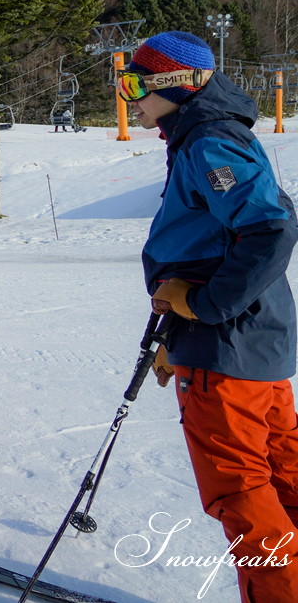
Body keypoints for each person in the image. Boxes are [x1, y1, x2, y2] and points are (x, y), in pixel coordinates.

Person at [119, 31, 298, 602]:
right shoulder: (202, 135)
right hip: (246, 345)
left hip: (227, 347)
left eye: (135, 85)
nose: (129, 100)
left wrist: (201, 308)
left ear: (176, 84)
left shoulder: (209, 142)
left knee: (241, 491)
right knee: (286, 480)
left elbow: (271, 229)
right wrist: (180, 330)